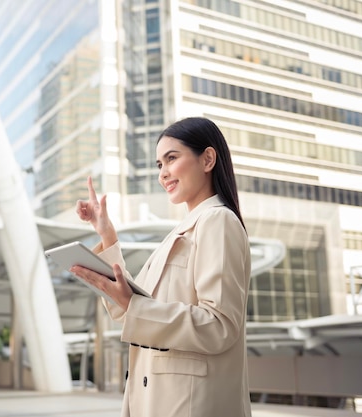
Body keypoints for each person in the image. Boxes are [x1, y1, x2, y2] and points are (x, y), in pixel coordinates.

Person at [71, 117, 252, 417]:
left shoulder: (218, 221)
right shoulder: (181, 231)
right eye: (159, 164)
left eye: (171, 158)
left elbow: (220, 325)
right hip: (156, 400)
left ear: (207, 159)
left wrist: (134, 305)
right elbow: (129, 307)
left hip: (191, 405)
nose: (163, 173)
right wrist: (106, 235)